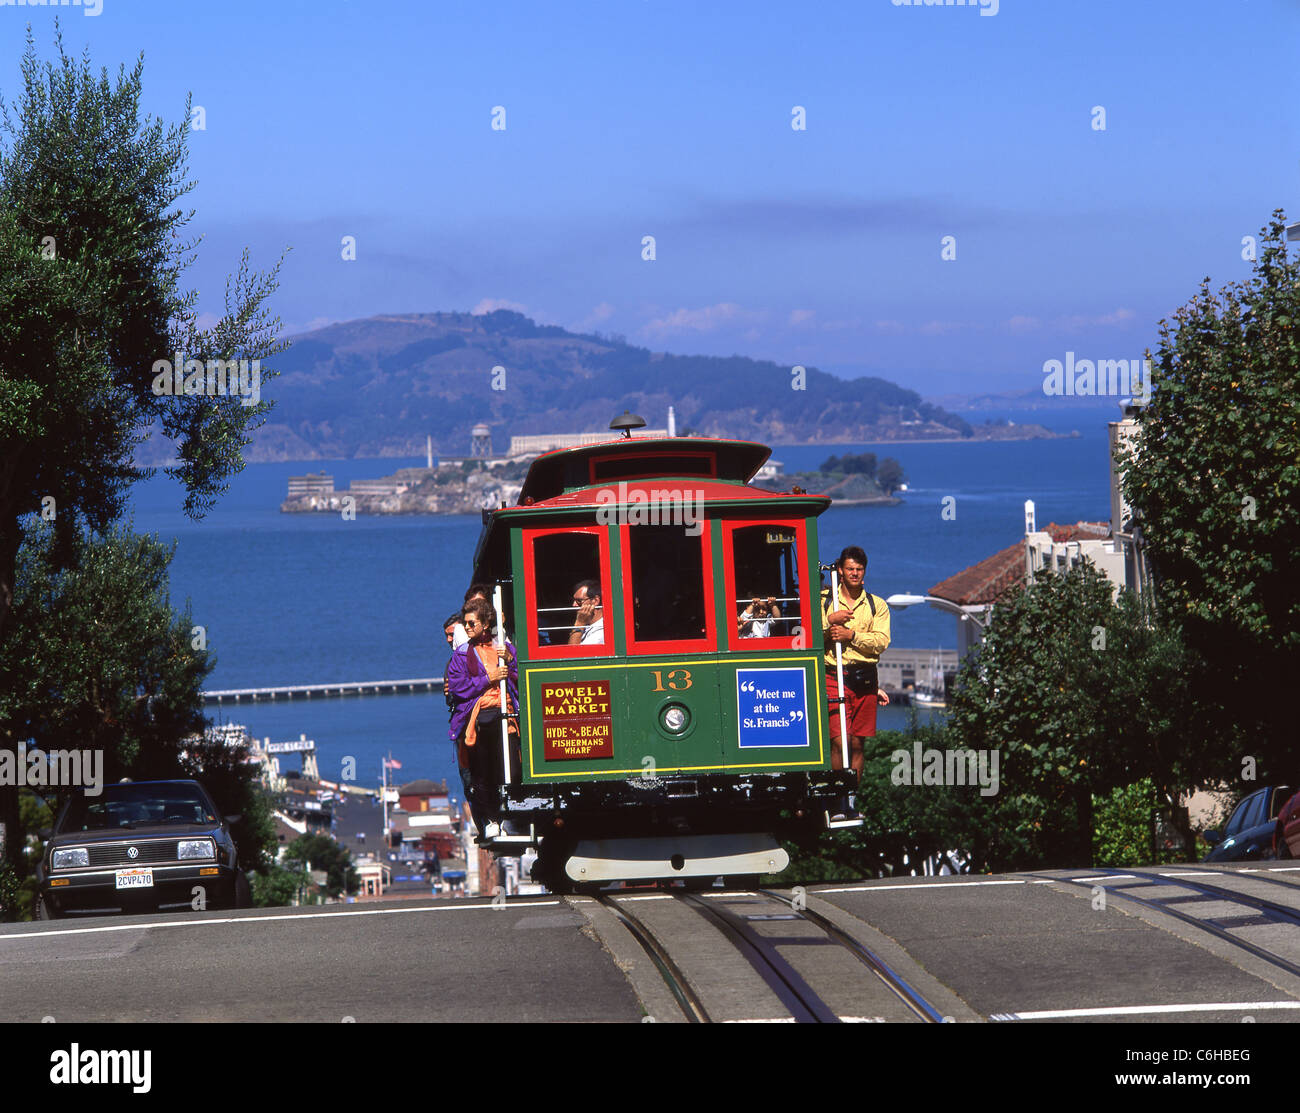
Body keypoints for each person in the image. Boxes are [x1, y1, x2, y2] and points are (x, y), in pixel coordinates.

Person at [446, 598, 519, 836]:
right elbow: (459, 689)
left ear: (486, 624)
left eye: (471, 623)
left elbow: (521, 677)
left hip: (507, 714)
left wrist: (510, 662)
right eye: (465, 624)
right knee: (483, 771)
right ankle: (491, 820)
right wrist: (489, 678)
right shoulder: (462, 655)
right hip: (480, 718)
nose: (466, 628)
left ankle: (509, 817)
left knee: (510, 768)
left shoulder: (504, 649)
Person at [821, 545, 890, 778]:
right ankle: (838, 794)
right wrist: (830, 622)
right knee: (840, 742)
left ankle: (851, 797)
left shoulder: (877, 605)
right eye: (850, 568)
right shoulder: (824, 601)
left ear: (864, 572)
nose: (854, 573)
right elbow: (806, 634)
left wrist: (851, 636)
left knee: (858, 744)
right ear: (840, 570)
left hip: (865, 678)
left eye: (859, 569)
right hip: (832, 675)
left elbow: (881, 641)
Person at [450, 583, 493, 651]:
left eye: (481, 603)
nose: (476, 606)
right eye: (473, 603)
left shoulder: (497, 628)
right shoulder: (460, 629)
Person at [568, 579, 605, 645]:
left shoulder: (601, 631)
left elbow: (573, 653)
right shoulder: (588, 625)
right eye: (574, 600)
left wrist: (579, 623)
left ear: (595, 601)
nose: (574, 605)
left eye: (579, 601)